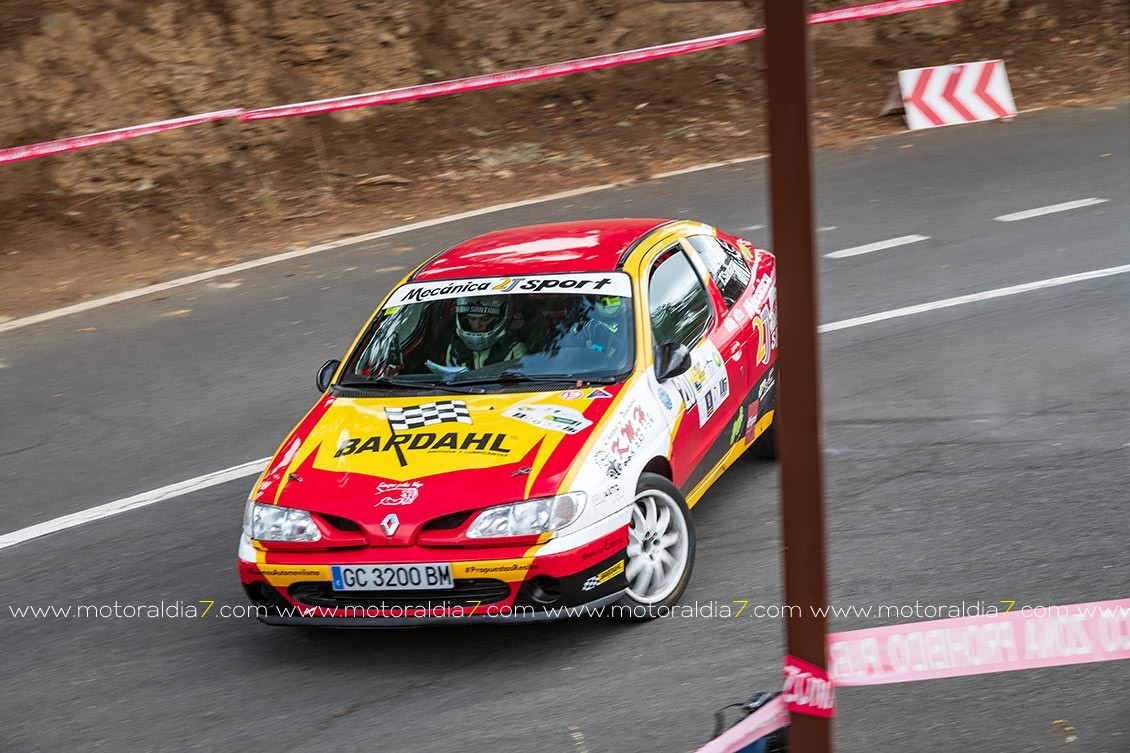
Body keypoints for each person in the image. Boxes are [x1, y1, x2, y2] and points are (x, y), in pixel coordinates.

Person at [445, 295, 527, 369]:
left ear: (497, 320)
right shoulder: (455, 350)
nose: (477, 325)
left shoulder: (514, 349)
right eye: (472, 319)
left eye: (485, 319)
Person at [577, 294, 629, 360]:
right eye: (601, 298)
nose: (607, 303)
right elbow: (574, 345)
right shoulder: (588, 315)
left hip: (612, 365)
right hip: (585, 362)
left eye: (612, 299)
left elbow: (623, 349)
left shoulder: (627, 320)